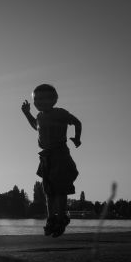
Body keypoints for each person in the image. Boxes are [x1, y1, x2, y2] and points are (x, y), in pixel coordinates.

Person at [21, 84, 81, 237]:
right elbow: (36, 126)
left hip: (60, 154)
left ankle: (61, 218)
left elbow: (77, 122)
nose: (40, 102)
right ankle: (51, 218)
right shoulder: (40, 116)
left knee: (60, 188)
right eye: (37, 99)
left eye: (44, 98)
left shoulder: (60, 113)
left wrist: (77, 138)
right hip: (46, 156)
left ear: (54, 99)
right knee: (48, 190)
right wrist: (27, 114)